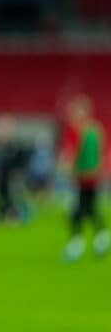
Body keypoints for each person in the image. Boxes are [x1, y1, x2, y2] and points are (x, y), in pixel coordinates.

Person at [60, 94, 109, 261]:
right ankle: (102, 238)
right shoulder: (96, 129)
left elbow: (71, 154)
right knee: (90, 208)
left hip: (80, 176)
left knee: (75, 211)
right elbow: (101, 153)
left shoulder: (76, 129)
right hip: (94, 175)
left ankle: (76, 245)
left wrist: (65, 169)